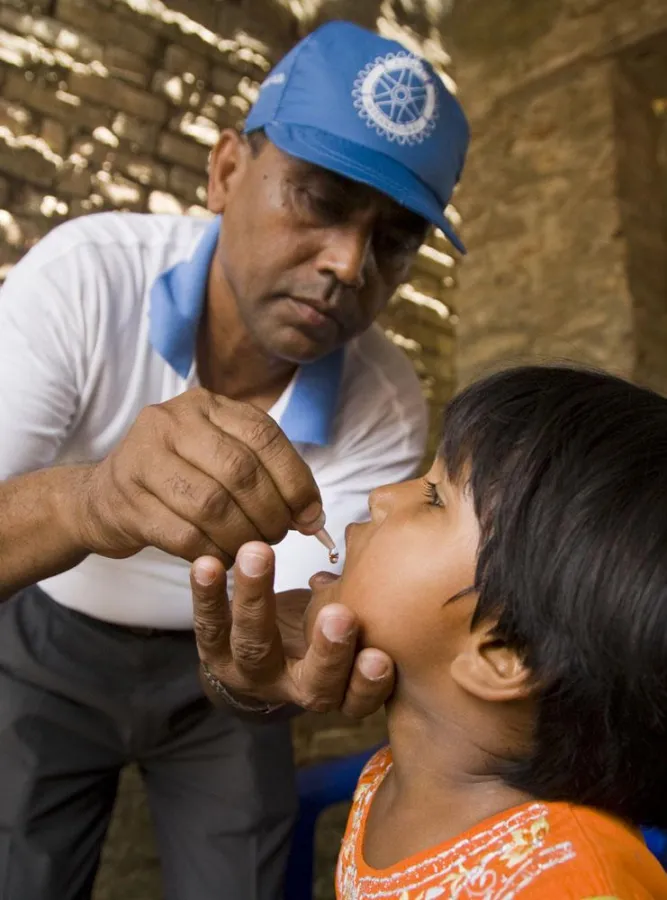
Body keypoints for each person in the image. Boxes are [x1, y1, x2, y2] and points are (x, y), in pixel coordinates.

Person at [0, 20, 469, 900]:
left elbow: (281, 634)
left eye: (394, 238)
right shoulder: (83, 282)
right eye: (321, 201)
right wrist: (84, 506)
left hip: (211, 683)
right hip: (46, 641)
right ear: (224, 174)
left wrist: (260, 679)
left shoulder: (382, 402)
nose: (346, 264)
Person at [192, 365, 667, 899]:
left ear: (503, 651)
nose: (382, 496)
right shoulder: (394, 777)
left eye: (435, 497)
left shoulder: (569, 882)